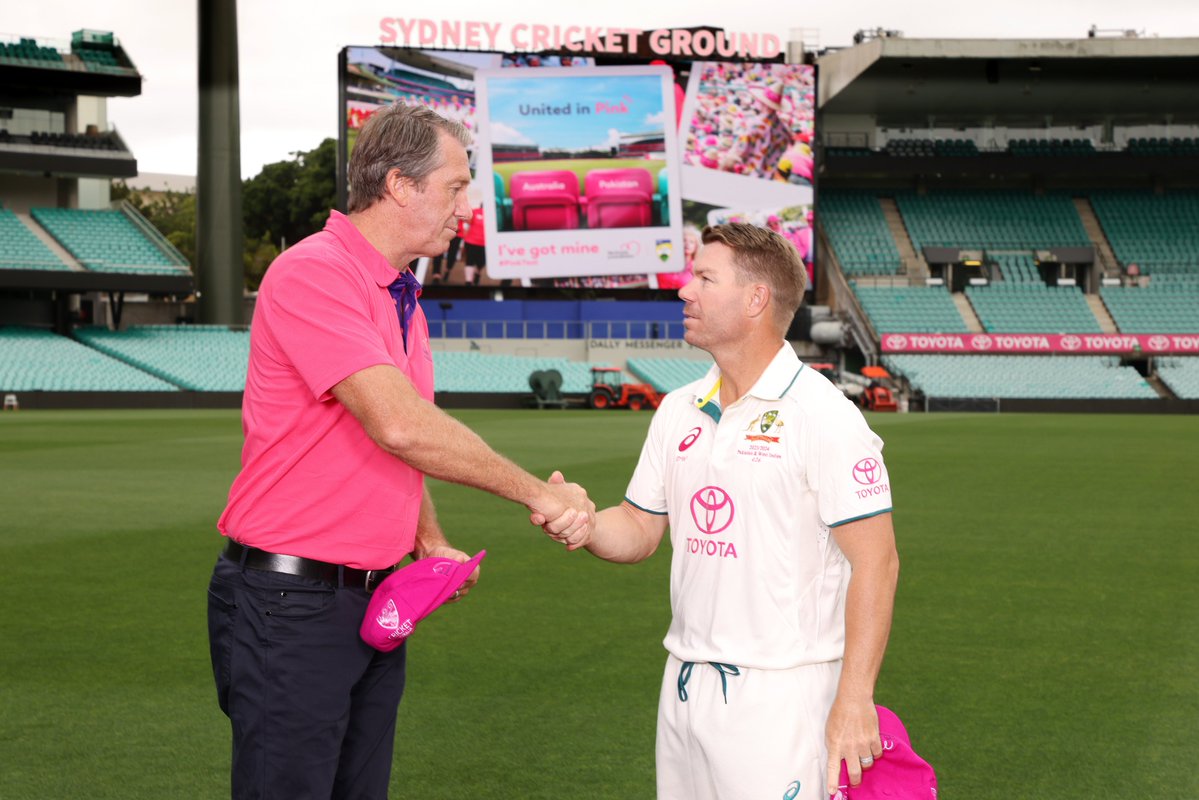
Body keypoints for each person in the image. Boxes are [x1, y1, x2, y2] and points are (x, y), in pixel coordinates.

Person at [208, 103, 593, 800]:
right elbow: (400, 426)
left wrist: (430, 542)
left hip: (369, 601)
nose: (466, 208)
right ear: (398, 185)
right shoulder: (314, 272)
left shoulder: (397, 294)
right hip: (292, 603)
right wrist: (540, 493)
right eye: (455, 186)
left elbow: (390, 443)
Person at [548, 223, 899, 799]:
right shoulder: (679, 408)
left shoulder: (824, 416)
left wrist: (855, 699)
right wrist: (582, 521)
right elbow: (638, 528)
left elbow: (878, 563)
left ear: (756, 298)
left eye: (706, 279)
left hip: (782, 697)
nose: (685, 291)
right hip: (684, 686)